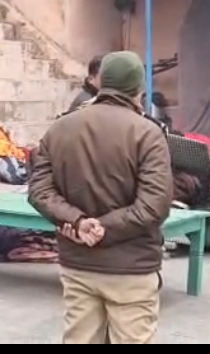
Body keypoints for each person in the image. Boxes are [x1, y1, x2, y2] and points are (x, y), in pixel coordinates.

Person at [28, 51, 173, 345]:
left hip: (78, 261)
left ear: (101, 81)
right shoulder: (148, 133)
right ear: (139, 90)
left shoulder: (60, 128)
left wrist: (79, 222)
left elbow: (40, 190)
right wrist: (102, 228)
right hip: (131, 267)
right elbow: (154, 205)